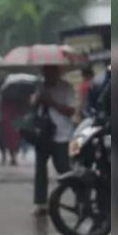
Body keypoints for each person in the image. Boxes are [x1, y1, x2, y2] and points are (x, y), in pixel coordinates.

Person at [32, 65, 76, 215]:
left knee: (64, 168)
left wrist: (51, 102)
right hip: (43, 134)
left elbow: (71, 111)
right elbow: (32, 107)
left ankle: (80, 195)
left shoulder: (66, 88)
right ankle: (40, 203)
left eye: (51, 72)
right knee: (40, 169)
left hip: (62, 134)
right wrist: (37, 100)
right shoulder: (39, 87)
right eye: (45, 72)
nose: (48, 75)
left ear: (57, 72)